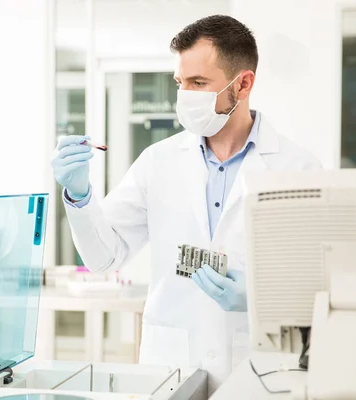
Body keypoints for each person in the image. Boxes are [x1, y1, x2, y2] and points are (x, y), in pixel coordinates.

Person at [51, 15, 321, 393]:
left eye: (198, 83)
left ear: (243, 84)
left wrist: (259, 298)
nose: (185, 96)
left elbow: (320, 285)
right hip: (170, 366)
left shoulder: (299, 169)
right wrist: (79, 196)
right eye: (180, 83)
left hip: (259, 372)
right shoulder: (157, 162)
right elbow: (104, 258)